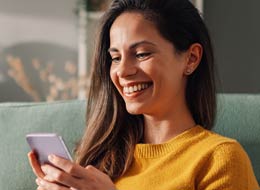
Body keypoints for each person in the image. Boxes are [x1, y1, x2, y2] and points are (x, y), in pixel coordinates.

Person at [28, 0, 260, 189]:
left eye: (141, 54)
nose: (123, 71)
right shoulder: (98, 159)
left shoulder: (219, 159)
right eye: (116, 58)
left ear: (191, 58)